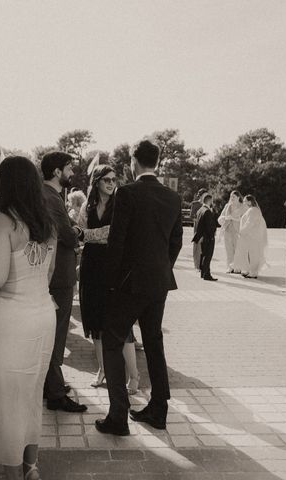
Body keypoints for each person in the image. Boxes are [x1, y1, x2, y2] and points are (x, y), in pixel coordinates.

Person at [0, 155, 57, 480]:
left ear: (7, 183)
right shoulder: (47, 222)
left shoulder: (0, 222)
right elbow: (47, 274)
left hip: (11, 318)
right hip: (41, 314)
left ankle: (10, 473)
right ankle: (31, 467)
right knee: (31, 392)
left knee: (7, 397)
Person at [96, 140, 182, 436]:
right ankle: (159, 409)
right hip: (159, 282)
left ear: (133, 161)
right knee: (154, 342)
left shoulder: (128, 193)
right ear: (157, 161)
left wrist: (109, 282)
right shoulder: (172, 197)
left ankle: (118, 415)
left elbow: (117, 241)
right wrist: (161, 268)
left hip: (129, 282)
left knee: (112, 339)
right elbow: (175, 242)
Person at [77, 165, 138, 393]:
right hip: (91, 265)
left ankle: (133, 375)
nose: (111, 183)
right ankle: (102, 369)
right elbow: (79, 232)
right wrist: (88, 235)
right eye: (106, 180)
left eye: (114, 180)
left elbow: (113, 232)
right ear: (97, 182)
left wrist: (89, 235)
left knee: (120, 323)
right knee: (95, 322)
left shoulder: (120, 204)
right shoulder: (87, 205)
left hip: (114, 266)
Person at [40, 151, 87, 413]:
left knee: (54, 333)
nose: (71, 173)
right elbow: (66, 235)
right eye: (69, 168)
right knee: (57, 335)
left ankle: (52, 384)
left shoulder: (46, 195)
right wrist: (77, 233)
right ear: (57, 171)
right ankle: (56, 394)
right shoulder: (51, 197)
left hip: (53, 275)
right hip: (57, 277)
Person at [233, 195, 268, 279]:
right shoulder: (253, 210)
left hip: (252, 236)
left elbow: (249, 223)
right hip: (251, 236)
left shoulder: (252, 211)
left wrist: (241, 231)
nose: (243, 203)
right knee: (250, 254)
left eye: (245, 201)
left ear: (249, 202)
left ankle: (253, 272)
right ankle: (249, 270)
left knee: (253, 254)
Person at [217, 190, 247, 273]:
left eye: (233, 197)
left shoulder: (243, 207)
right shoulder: (227, 206)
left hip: (238, 231)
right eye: (231, 196)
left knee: (238, 249)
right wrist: (222, 219)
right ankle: (230, 267)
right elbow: (221, 217)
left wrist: (233, 218)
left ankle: (238, 267)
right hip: (227, 230)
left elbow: (245, 219)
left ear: (238, 197)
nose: (231, 198)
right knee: (229, 249)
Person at [193, 193, 219, 281]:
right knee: (208, 256)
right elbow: (209, 226)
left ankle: (203, 273)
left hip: (202, 237)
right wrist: (212, 236)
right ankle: (206, 275)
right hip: (207, 237)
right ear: (210, 201)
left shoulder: (201, 209)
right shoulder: (207, 211)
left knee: (203, 255)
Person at [190, 188, 208, 270]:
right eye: (205, 194)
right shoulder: (195, 204)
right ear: (200, 195)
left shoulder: (208, 204)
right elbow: (192, 216)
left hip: (206, 228)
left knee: (205, 247)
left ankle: (203, 265)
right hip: (198, 228)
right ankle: (197, 265)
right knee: (197, 246)